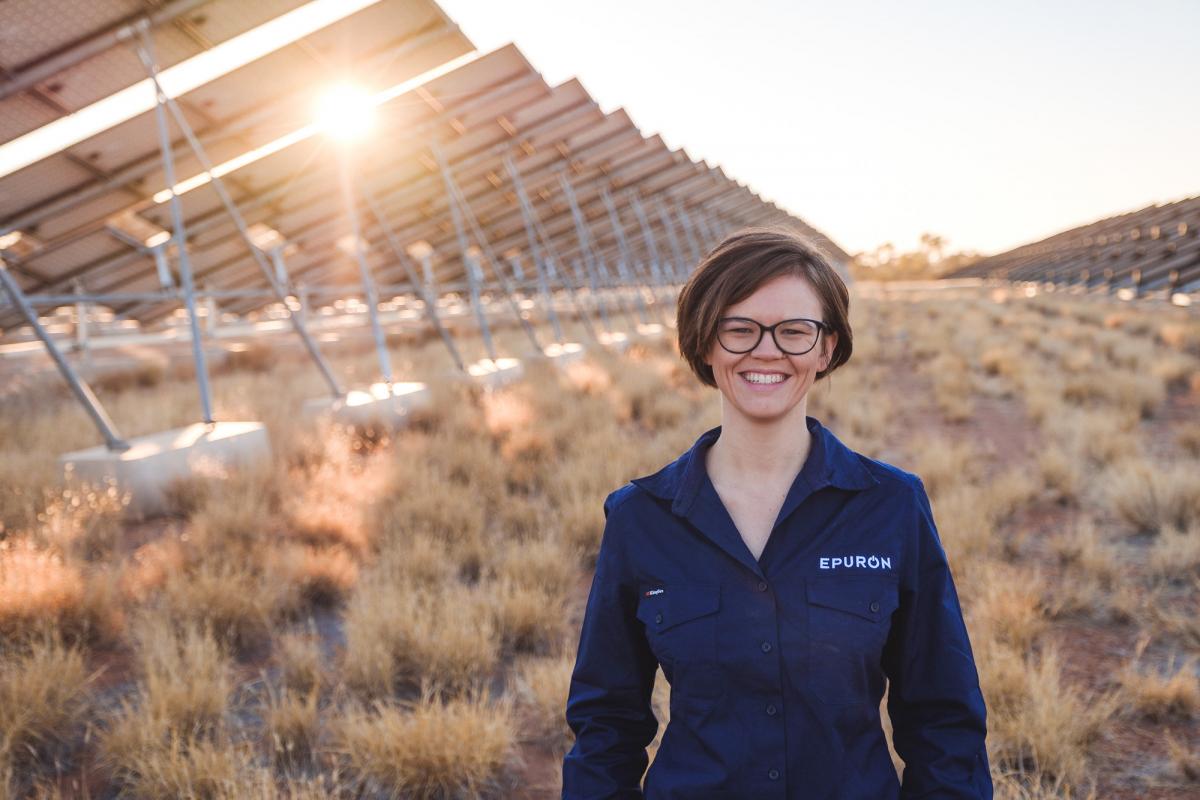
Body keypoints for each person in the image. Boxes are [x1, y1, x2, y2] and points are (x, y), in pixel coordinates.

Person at [561, 228, 991, 799]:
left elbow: (943, 718)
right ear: (705, 343)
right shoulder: (641, 518)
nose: (767, 350)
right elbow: (606, 727)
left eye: (794, 331)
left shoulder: (891, 505)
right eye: (739, 329)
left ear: (826, 347)